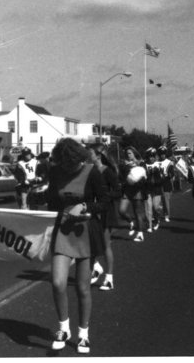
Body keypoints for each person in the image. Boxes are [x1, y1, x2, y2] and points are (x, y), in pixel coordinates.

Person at [46, 138, 109, 354]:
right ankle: (64, 328)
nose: (66, 168)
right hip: (63, 231)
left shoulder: (92, 172)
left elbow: (105, 201)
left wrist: (84, 206)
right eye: (62, 164)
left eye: (69, 164)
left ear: (77, 159)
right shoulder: (55, 172)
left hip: (85, 233)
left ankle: (83, 334)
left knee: (82, 287)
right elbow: (52, 201)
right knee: (57, 282)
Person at [87, 144, 121, 291]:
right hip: (93, 212)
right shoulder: (88, 172)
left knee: (106, 244)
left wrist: (104, 197)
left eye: (90, 154)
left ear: (98, 156)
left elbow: (118, 191)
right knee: (90, 243)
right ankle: (96, 268)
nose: (87, 157)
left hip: (105, 212)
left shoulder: (107, 172)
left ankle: (109, 278)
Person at [118, 146, 147, 242]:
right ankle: (130, 221)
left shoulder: (141, 163)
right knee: (121, 210)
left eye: (130, 153)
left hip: (137, 190)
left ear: (134, 153)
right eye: (127, 153)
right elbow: (122, 176)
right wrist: (125, 168)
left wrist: (137, 180)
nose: (128, 155)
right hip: (127, 190)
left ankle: (140, 233)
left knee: (138, 212)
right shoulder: (124, 164)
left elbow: (144, 176)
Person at [144, 148, 164, 233]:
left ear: (155, 157)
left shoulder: (159, 165)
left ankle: (157, 220)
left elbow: (163, 178)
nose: (150, 158)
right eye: (149, 157)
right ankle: (149, 225)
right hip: (147, 189)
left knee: (156, 207)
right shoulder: (144, 165)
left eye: (152, 156)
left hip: (156, 189)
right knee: (148, 207)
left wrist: (156, 175)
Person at [157, 146, 175, 222]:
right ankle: (156, 215)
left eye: (164, 154)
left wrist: (168, 175)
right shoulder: (156, 162)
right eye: (161, 154)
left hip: (166, 183)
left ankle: (166, 215)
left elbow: (172, 174)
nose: (162, 155)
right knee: (157, 201)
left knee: (165, 200)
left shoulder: (169, 162)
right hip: (157, 183)